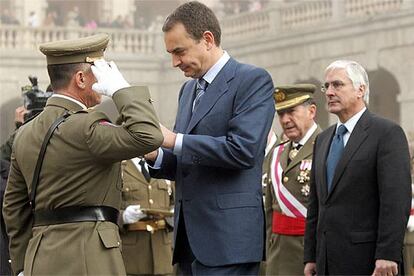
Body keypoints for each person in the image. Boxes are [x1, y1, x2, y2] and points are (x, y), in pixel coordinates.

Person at [2, 33, 163, 276]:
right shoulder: (88, 127)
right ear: (80, 78)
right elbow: (149, 135)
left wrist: (24, 265)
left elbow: (13, 208)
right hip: (91, 257)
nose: (101, 78)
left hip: (40, 256)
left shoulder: (25, 133)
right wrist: (121, 89)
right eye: (97, 71)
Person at [145, 1, 275, 275]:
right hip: (188, 243)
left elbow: (243, 150)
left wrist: (173, 140)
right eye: (170, 53)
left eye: (179, 51)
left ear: (207, 39)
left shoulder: (252, 80)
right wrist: (155, 152)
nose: (174, 62)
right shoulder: (188, 91)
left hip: (229, 244)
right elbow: (186, 163)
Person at [304, 60, 411, 275]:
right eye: (327, 86)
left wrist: (387, 253)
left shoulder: (386, 133)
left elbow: (396, 200)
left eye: (337, 85)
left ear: (360, 89)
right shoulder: (323, 140)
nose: (329, 92)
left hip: (370, 261)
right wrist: (311, 256)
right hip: (326, 261)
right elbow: (316, 204)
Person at [264, 84, 322, 275]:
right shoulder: (277, 153)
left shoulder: (326, 146)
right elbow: (269, 211)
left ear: (311, 111)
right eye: (281, 114)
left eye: (291, 112)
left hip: (312, 253)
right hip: (278, 253)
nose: (285, 120)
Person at [120, 157, 174, 275]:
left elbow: (176, 202)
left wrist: (174, 214)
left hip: (163, 254)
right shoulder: (119, 169)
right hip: (133, 257)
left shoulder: (164, 166)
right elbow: (106, 209)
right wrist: (123, 217)